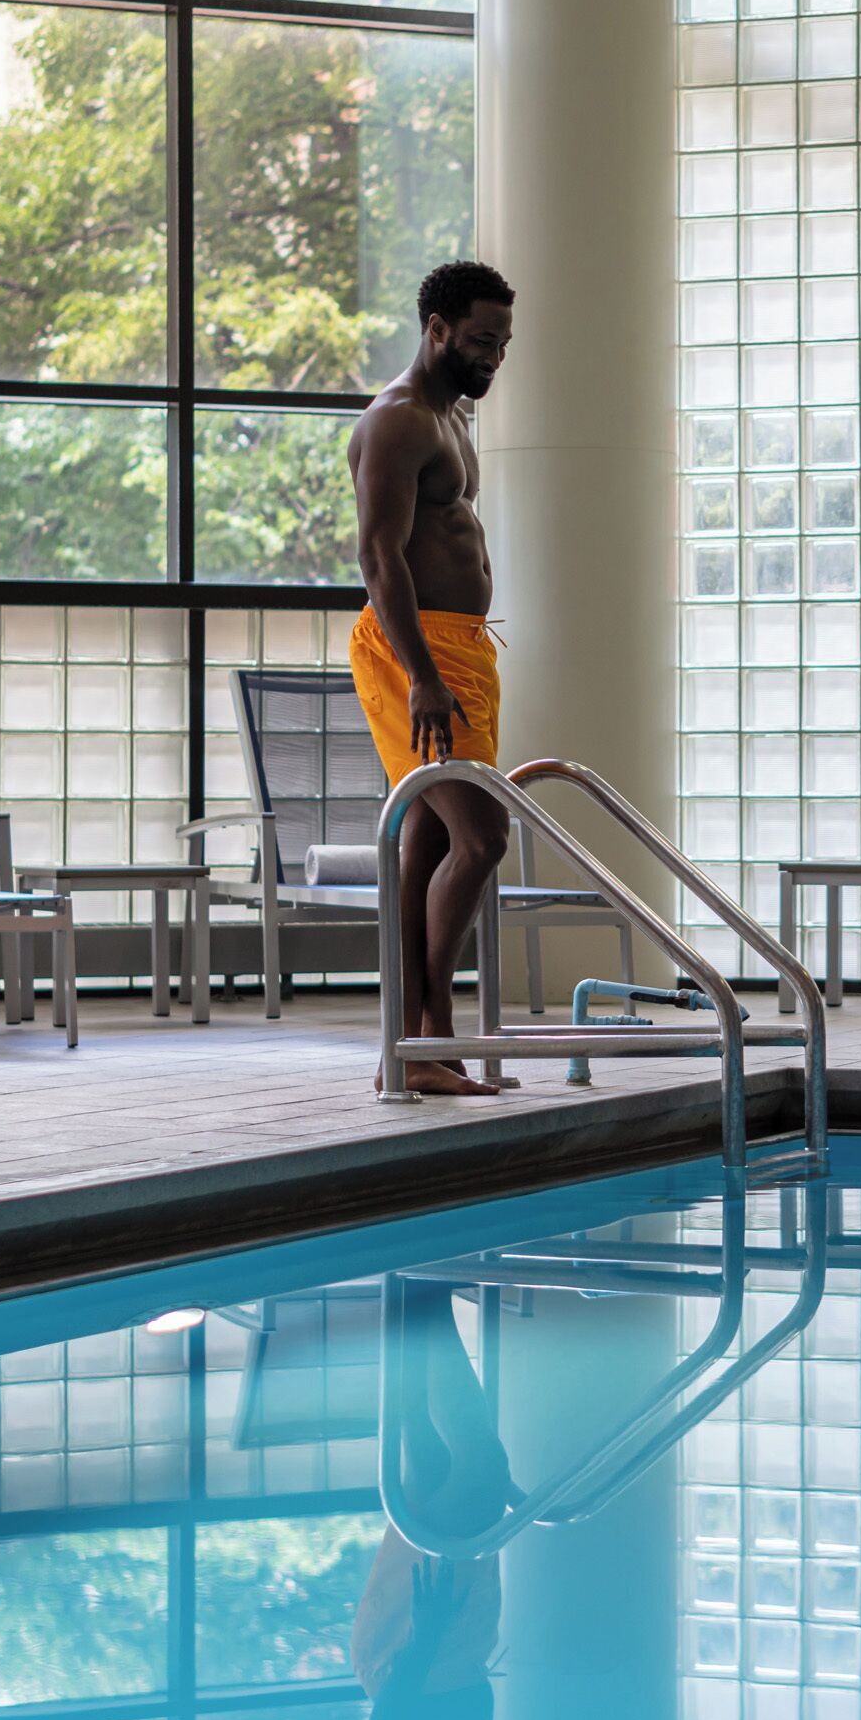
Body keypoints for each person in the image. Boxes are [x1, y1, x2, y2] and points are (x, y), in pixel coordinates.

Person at [350, 261, 517, 1097]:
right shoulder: (398, 420)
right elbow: (379, 556)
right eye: (482, 340)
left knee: (435, 840)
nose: (494, 357)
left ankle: (411, 1052)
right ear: (437, 328)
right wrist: (420, 674)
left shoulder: (451, 417)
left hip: (464, 649)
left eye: (504, 344)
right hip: (414, 651)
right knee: (483, 835)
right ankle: (434, 1035)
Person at [352, 1279, 512, 1720]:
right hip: (422, 1655)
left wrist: (427, 1634)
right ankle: (415, 1284)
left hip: (426, 1654)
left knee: (483, 1470)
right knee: (431, 1456)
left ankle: (427, 1286)